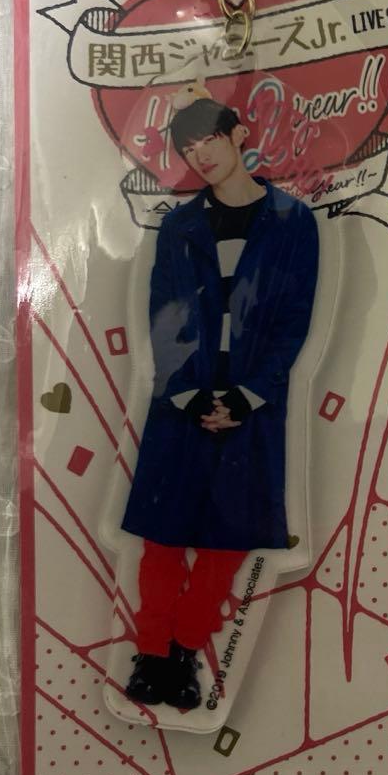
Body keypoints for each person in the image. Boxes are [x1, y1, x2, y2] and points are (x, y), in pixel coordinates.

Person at [120, 96, 319, 710]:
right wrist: (186, 394)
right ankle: (150, 654)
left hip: (253, 400)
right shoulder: (178, 227)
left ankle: (183, 652)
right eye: (187, 149)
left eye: (207, 139)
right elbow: (164, 314)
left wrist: (247, 396)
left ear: (238, 134)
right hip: (182, 394)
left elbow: (293, 320)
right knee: (162, 531)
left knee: (227, 536)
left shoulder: (292, 221)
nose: (199, 155)